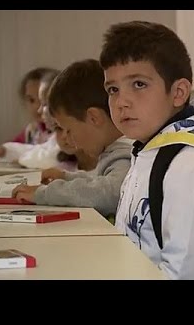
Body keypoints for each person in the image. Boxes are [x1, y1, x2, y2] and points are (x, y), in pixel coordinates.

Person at [99, 21, 194, 280]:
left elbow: (184, 274)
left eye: (139, 84)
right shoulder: (150, 150)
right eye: (113, 89)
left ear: (178, 93)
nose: (121, 102)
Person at [12, 59, 131, 218]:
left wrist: (43, 194)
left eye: (69, 130)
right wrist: (66, 177)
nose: (69, 139)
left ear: (93, 118)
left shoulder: (124, 154)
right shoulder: (114, 152)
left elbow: (109, 194)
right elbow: (99, 180)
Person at [0, 67, 54, 163]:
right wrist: (3, 150)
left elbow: (51, 155)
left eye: (43, 100)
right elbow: (16, 147)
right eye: (31, 100)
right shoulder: (31, 131)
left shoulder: (60, 132)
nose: (37, 107)